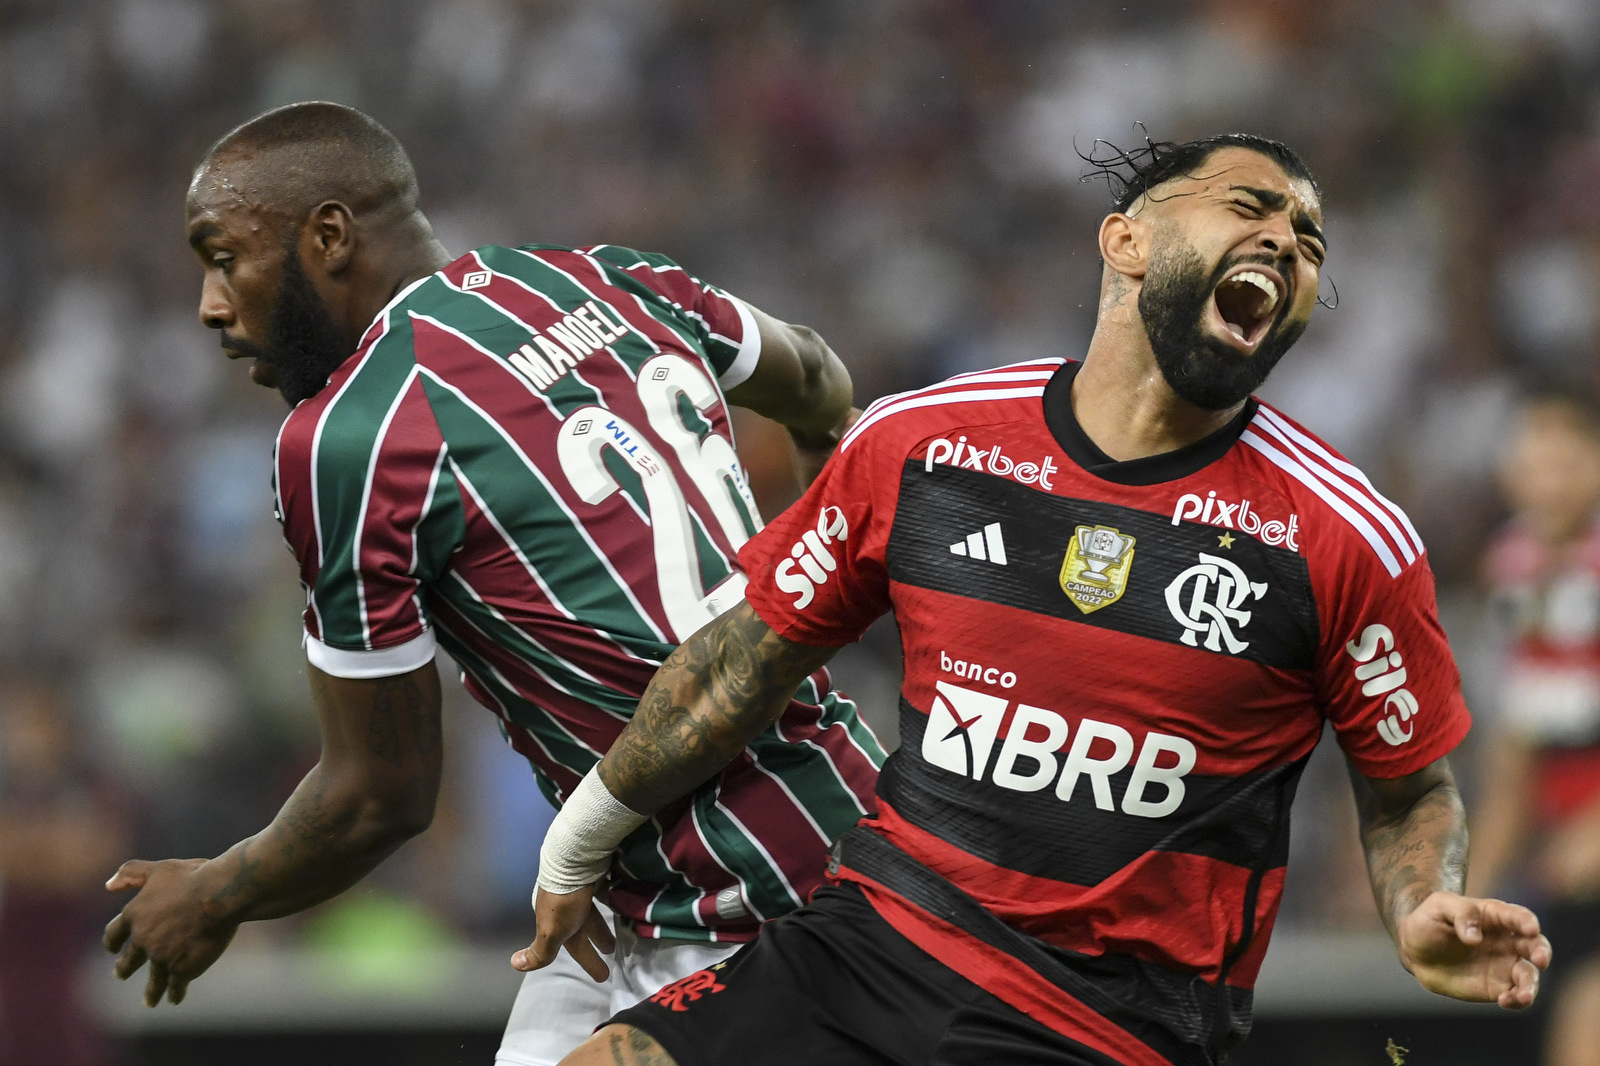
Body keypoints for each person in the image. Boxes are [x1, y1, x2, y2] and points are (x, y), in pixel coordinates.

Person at [524, 134, 1554, 1066]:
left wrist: (1419, 902)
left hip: (1103, 1023)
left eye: (1310, 239)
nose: (1288, 244)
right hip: (864, 948)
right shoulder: (921, 442)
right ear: (1127, 239)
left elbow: (1411, 788)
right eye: (1249, 208)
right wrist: (578, 844)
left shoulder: (1343, 536)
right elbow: (736, 667)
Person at [99, 101, 885, 1066]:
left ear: (330, 236)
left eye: (224, 257)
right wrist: (813, 519)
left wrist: (219, 892)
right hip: (752, 844)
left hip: (742, 896)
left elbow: (378, 797)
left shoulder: (351, 435)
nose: (212, 306)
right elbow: (815, 372)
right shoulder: (601, 276)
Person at [1468, 396, 1600, 1066]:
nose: (1543, 474)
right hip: (1560, 873)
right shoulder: (1512, 572)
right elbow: (1514, 751)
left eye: (1562, 455)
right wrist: (1472, 888)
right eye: (1530, 456)